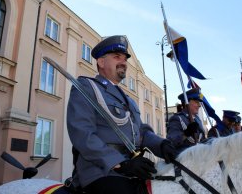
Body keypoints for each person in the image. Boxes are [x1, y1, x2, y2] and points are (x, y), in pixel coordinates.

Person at [67, 35, 177, 194]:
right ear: (101, 62)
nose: (123, 62)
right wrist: (121, 163)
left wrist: (162, 145)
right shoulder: (86, 87)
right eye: (117, 57)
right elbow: (82, 134)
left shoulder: (129, 101)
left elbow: (141, 133)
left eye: (125, 59)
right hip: (101, 172)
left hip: (133, 170)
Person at [166, 88, 206, 153]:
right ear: (186, 103)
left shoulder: (198, 120)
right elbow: (171, 142)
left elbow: (203, 141)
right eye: (196, 102)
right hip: (184, 159)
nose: (199, 105)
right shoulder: (177, 118)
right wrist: (186, 133)